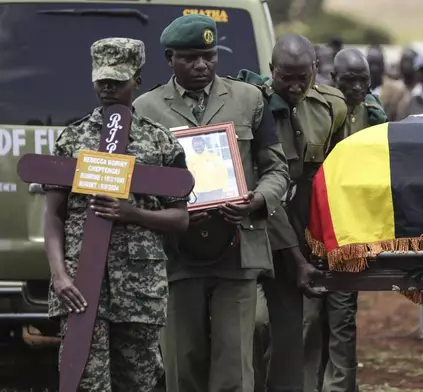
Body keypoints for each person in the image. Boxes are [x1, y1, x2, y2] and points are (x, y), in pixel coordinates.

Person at [133, 14, 290, 392]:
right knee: (182, 364)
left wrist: (256, 200)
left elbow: (276, 169)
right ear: (170, 58)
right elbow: (136, 181)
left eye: (209, 55)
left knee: (234, 369)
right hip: (176, 253)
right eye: (190, 58)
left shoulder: (249, 99)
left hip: (238, 247)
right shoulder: (146, 108)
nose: (202, 65)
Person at [43, 37, 190, 391]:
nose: (108, 89)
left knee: (137, 383)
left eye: (118, 81)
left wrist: (133, 213)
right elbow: (53, 216)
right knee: (84, 380)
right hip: (79, 284)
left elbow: (180, 219)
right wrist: (59, 277)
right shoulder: (72, 139)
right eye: (102, 81)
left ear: (137, 80)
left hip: (139, 289)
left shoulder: (159, 142)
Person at [236, 34, 348, 392]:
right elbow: (263, 178)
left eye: (304, 76)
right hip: (256, 222)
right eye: (287, 77)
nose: (296, 85)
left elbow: (335, 171)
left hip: (302, 225)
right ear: (271, 71)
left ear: (316, 69)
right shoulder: (252, 106)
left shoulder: (332, 107)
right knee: (252, 324)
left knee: (295, 326)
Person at [301, 47, 387, 392]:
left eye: (363, 81)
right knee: (309, 317)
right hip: (314, 226)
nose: (357, 88)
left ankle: (339, 386)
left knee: (343, 316)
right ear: (333, 78)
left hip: (352, 230)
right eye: (349, 80)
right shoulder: (319, 110)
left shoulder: (375, 114)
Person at [366, 45, 409, 121]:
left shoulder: (397, 91)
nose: (374, 69)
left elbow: (400, 118)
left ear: (383, 65)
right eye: (371, 64)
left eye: (378, 64)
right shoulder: (359, 90)